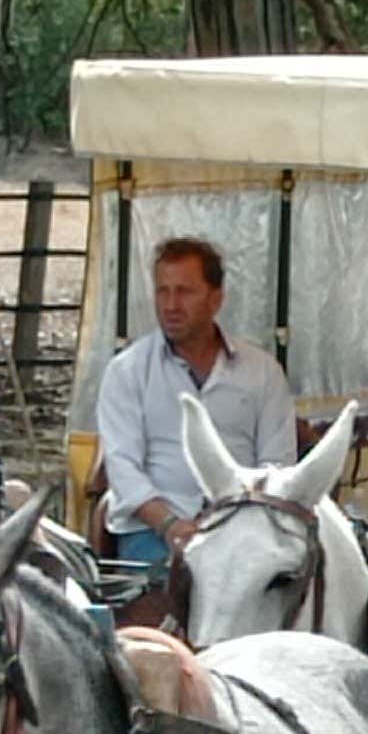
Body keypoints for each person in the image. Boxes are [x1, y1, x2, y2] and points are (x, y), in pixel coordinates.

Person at [94, 235, 297, 568]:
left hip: (243, 529)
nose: (171, 305)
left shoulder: (262, 372)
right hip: (154, 533)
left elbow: (276, 466)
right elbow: (123, 468)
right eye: (163, 291)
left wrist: (235, 523)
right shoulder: (128, 371)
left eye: (184, 292)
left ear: (216, 299)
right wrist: (171, 525)